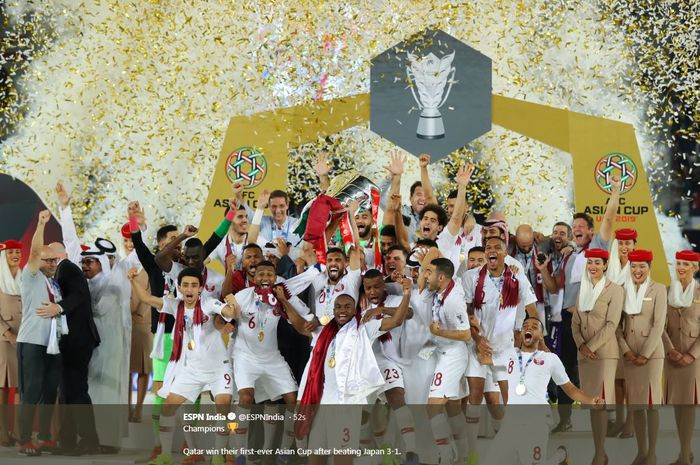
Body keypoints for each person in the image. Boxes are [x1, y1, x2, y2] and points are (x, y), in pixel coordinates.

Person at [129, 267, 239, 465]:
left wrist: (232, 306)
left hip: (218, 369)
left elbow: (228, 311)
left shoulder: (208, 303)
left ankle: (218, 456)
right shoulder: (174, 305)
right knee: (168, 408)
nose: (189, 289)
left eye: (194, 285)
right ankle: (165, 456)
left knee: (223, 408)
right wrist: (132, 280)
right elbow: (146, 299)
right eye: (186, 285)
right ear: (179, 287)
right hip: (192, 370)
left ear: (200, 288)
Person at [291, 290, 410, 465]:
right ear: (333, 309)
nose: (342, 310)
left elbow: (396, 320)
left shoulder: (364, 329)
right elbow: (301, 326)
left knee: (343, 458)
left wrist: (406, 295)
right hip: (322, 405)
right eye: (338, 307)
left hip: (346, 405)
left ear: (354, 310)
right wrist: (283, 300)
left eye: (347, 307)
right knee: (315, 458)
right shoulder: (324, 332)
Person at [225, 256, 320, 460]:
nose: (265, 278)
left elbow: (305, 323)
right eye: (261, 274)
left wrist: (285, 301)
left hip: (272, 357)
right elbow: (225, 314)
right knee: (246, 397)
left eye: (269, 274)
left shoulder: (282, 294)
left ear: (275, 276)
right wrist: (227, 320)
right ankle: (240, 454)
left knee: (293, 401)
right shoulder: (243, 295)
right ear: (254, 277)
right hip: (245, 356)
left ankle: (286, 452)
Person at [463, 235, 540, 465]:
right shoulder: (471, 277)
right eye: (489, 248)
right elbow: (466, 313)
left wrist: (535, 339)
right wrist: (477, 339)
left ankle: (517, 448)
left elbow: (531, 309)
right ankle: (472, 453)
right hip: (478, 346)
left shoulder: (516, 276)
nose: (492, 251)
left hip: (506, 347)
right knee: (475, 394)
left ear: (505, 253)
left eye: (498, 247)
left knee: (510, 400)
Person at [485, 316, 603, 465]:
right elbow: (485, 359)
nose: (528, 328)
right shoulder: (508, 354)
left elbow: (570, 389)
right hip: (511, 423)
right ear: (521, 333)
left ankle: (560, 456)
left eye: (534, 327)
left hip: (537, 422)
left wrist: (591, 400)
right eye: (525, 326)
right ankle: (560, 456)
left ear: (541, 335)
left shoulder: (550, 359)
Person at [552, 175, 620, 433]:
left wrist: (614, 192)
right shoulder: (570, 255)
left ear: (591, 231)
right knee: (565, 369)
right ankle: (565, 418)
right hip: (571, 322)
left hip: (595, 321)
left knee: (600, 369)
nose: (577, 228)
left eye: (582, 225)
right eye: (574, 225)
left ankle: (610, 418)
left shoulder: (597, 247)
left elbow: (610, 220)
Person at [359, 269, 418, 464]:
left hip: (390, 361)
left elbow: (408, 313)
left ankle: (412, 452)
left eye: (377, 286)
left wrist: (382, 310)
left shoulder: (394, 299)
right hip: (367, 363)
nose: (373, 291)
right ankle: (379, 452)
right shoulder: (361, 309)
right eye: (368, 288)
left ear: (384, 285)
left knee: (396, 399)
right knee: (363, 413)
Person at [16, 212, 62, 456]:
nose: (52, 264)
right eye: (48, 261)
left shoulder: (53, 283)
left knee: (49, 392)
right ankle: (25, 440)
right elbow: (35, 253)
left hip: (52, 345)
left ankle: (44, 437)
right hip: (32, 343)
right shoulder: (31, 276)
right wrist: (42, 225)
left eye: (55, 261)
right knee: (31, 393)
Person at [572, 248, 623, 465]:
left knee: (600, 401)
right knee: (592, 403)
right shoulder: (582, 288)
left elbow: (612, 324)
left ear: (605, 265)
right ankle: (599, 450)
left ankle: (600, 454)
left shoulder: (615, 290)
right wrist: (581, 345)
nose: (592, 266)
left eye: (597, 262)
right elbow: (575, 322)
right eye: (589, 262)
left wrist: (590, 346)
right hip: (585, 354)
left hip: (603, 353)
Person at [419, 254, 471, 465]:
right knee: (453, 409)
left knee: (432, 407)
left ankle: (445, 456)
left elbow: (466, 334)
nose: (425, 276)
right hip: (442, 351)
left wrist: (438, 333)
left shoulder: (453, 301)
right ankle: (465, 453)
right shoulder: (442, 291)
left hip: (452, 355)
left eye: (429, 273)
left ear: (441, 277)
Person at [616, 249, 666, 465]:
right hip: (629, 354)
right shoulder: (620, 290)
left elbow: (659, 324)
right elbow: (616, 325)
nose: (638, 270)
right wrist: (626, 350)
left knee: (651, 403)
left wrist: (645, 354)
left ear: (649, 267)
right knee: (636, 404)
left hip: (652, 354)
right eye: (634, 266)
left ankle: (652, 453)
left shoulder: (659, 289)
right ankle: (641, 451)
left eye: (642, 266)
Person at [663, 249, 700, 465]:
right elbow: (660, 326)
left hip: (693, 359)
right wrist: (671, 351)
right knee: (678, 404)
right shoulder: (668, 292)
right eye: (678, 264)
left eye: (685, 264)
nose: (680, 268)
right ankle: (684, 451)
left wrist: (692, 355)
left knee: (688, 404)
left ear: (695, 268)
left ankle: (685, 456)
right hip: (672, 357)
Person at [606, 228, 638, 438]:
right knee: (617, 379)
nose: (624, 248)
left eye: (628, 243)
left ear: (635, 245)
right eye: (621, 243)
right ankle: (619, 420)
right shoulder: (610, 267)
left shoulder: (639, 267)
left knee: (631, 380)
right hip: (612, 328)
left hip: (631, 327)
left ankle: (631, 424)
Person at [0, 240, 22, 447]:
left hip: (24, 338)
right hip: (4, 341)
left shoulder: (25, 278)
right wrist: (7, 333)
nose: (15, 255)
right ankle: (2, 432)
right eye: (11, 252)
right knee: (3, 387)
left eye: (18, 252)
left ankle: (17, 431)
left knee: (21, 386)